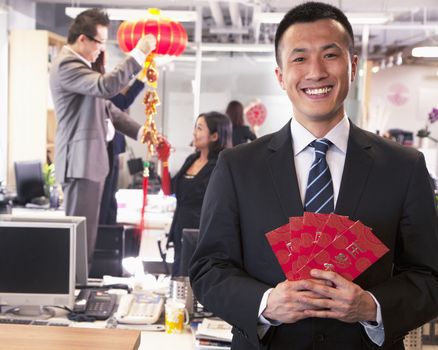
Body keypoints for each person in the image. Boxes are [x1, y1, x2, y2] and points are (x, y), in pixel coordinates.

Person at [190, 2, 438, 349]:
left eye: (330, 55)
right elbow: (208, 269)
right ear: (280, 75)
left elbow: (429, 276)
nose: (316, 72)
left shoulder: (404, 166)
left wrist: (371, 307)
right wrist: (265, 304)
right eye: (299, 58)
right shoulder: (237, 167)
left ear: (352, 66)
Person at [49, 8, 156, 264]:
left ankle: (78, 292)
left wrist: (142, 132)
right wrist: (139, 52)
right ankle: (73, 296)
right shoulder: (67, 64)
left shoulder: (83, 67)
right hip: (80, 163)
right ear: (83, 39)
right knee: (78, 241)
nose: (101, 48)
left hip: (89, 163)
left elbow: (108, 108)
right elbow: (105, 86)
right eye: (99, 41)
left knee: (85, 240)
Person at [168, 111, 232, 276]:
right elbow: (170, 189)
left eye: (199, 128)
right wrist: (164, 160)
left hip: (201, 231)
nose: (194, 133)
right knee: (178, 276)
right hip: (180, 227)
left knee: (195, 279)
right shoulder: (192, 159)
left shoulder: (220, 165)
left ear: (214, 136)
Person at [91, 51, 147, 225]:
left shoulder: (103, 84)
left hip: (113, 146)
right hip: (105, 148)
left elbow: (120, 103)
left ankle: (109, 234)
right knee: (106, 198)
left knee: (110, 197)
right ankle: (107, 236)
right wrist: (141, 80)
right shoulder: (98, 84)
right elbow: (122, 102)